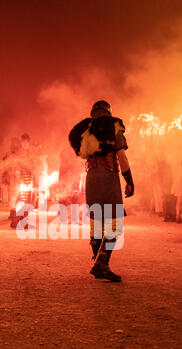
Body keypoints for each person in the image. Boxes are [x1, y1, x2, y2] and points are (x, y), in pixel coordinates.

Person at [69, 100, 134, 282]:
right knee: (115, 222)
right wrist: (129, 181)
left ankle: (98, 260)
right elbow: (121, 157)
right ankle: (101, 264)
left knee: (96, 221)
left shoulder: (86, 130)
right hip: (108, 176)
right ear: (108, 112)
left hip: (91, 178)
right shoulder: (114, 126)